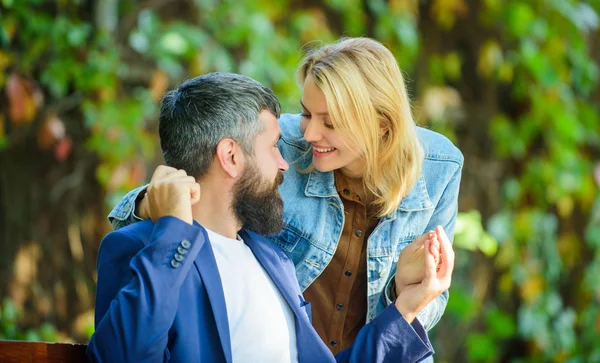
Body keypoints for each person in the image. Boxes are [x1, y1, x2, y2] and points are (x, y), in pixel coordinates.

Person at [109, 37, 463, 356]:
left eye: (330, 121)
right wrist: (163, 211)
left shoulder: (439, 168)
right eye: (307, 113)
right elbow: (206, 173)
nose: (308, 133)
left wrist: (404, 297)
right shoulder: (284, 143)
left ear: (381, 125)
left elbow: (430, 299)